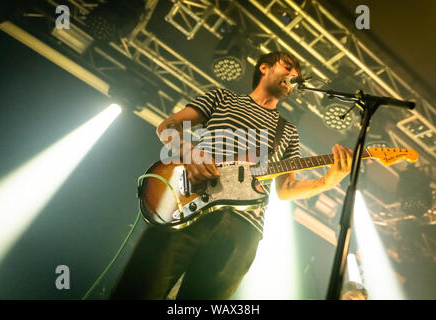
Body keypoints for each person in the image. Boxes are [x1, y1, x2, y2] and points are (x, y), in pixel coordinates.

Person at [110, 51, 353, 300]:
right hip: (187, 205)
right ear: (264, 68)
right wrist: (191, 155)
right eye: (288, 67)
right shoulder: (223, 98)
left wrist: (327, 181)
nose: (294, 76)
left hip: (243, 228)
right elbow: (168, 127)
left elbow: (286, 188)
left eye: (297, 75)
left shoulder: (288, 131)